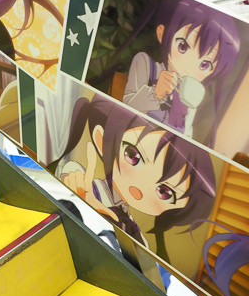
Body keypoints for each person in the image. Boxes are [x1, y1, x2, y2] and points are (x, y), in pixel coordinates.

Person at [53, 94, 215, 262]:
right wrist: (77, 189)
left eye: (165, 192)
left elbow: (140, 256)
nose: (140, 188)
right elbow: (71, 173)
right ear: (101, 141)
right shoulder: (90, 187)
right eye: (133, 156)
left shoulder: (130, 225)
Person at [123, 0, 240, 141]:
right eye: (183, 46)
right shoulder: (145, 63)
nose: (189, 67)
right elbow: (125, 107)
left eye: (205, 64)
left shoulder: (189, 98)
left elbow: (185, 135)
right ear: (162, 34)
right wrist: (155, 93)